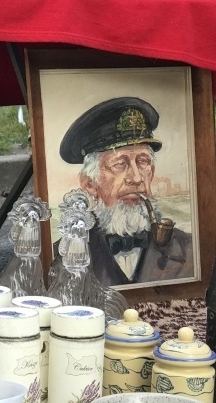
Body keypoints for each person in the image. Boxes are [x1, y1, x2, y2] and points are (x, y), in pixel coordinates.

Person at [59, 96, 194, 286]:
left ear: (151, 173)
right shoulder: (64, 256)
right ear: (90, 184)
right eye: (120, 164)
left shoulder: (189, 250)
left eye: (143, 162)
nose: (137, 178)